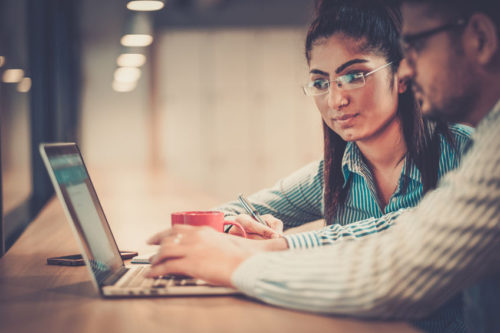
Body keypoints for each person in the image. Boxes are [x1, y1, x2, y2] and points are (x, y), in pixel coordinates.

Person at [147, 0, 500, 331]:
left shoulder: (470, 151)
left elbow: (401, 243)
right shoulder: (332, 174)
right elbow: (233, 212)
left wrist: (258, 254)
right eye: (320, 82)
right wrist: (235, 234)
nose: (335, 99)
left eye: (354, 76)